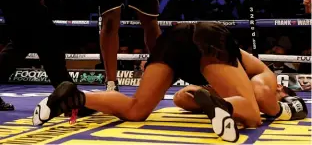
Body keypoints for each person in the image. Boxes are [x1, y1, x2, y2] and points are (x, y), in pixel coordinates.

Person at [32, 22, 307, 142]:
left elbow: (181, 97)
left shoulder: (228, 79)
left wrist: (208, 101)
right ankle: (225, 106)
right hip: (208, 39)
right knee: (251, 115)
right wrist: (278, 107)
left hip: (174, 40)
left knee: (136, 110)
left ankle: (74, 97)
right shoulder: (264, 76)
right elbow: (263, 103)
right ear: (282, 88)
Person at [173, 48, 306, 120]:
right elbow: (261, 95)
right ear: (279, 87)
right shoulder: (266, 75)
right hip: (212, 46)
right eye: (279, 99)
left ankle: (223, 106)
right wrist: (282, 111)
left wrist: (215, 102)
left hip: (188, 53)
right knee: (253, 118)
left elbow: (183, 96)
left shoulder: (232, 87)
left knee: (180, 98)